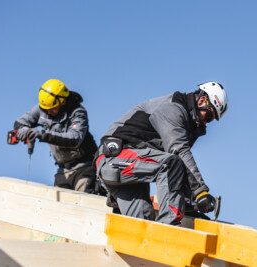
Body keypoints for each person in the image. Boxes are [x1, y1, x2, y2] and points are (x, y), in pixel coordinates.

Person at [94, 81, 228, 225]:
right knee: (171, 164)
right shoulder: (173, 109)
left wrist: (188, 204)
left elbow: (184, 169)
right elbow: (179, 154)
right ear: (202, 100)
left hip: (129, 173)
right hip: (114, 158)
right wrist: (201, 193)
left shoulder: (188, 125)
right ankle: (168, 227)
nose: (206, 123)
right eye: (208, 116)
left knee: (143, 225)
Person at [14, 79, 99, 193]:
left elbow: (74, 139)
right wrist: (23, 130)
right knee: (58, 205)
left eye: (52, 109)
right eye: (46, 109)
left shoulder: (77, 112)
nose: (48, 112)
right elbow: (20, 122)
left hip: (84, 167)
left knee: (83, 201)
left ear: (63, 101)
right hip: (63, 169)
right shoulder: (43, 108)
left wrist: (42, 135)